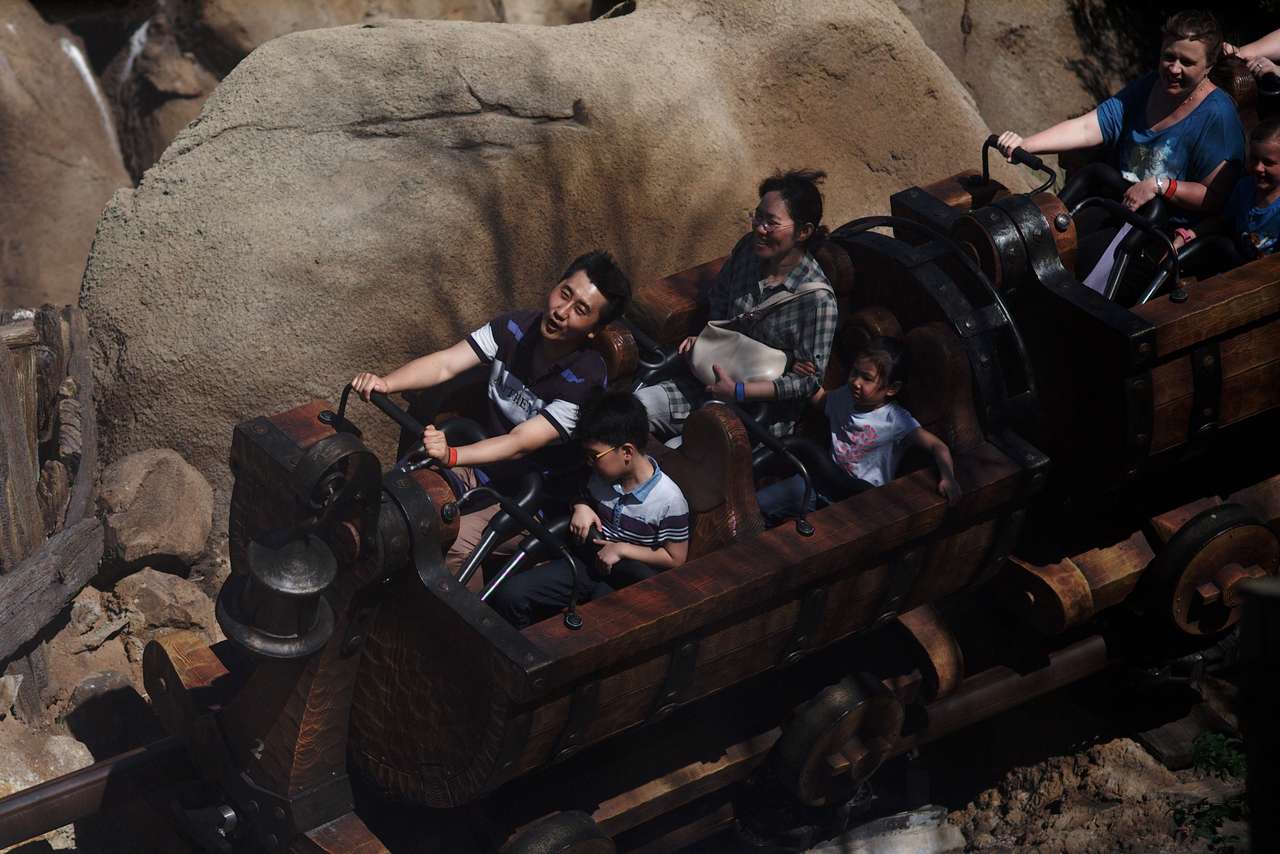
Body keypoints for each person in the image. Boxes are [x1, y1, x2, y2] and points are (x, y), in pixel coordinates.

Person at [351, 251, 631, 577]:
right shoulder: (515, 326)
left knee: (448, 547)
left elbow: (519, 443)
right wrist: (385, 383)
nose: (561, 311)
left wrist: (452, 455)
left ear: (595, 329)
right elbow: (446, 364)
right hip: (478, 461)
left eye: (580, 310)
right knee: (396, 502)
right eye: (564, 293)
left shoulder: (586, 379)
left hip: (531, 495)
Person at [995, 10, 1245, 285]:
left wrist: (1160, 186)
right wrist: (1025, 144)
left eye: (1187, 62)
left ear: (1208, 66)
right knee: (1041, 241)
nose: (1174, 69)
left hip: (1156, 232)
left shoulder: (1218, 116)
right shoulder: (1149, 86)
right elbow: (1089, 127)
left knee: (1070, 267)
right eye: (1169, 57)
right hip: (1114, 203)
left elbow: (1214, 196)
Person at [635, 169, 838, 440]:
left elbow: (807, 381)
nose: (759, 229)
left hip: (757, 415)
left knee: (678, 451)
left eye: (771, 223)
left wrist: (739, 391)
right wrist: (707, 338)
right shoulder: (747, 251)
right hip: (706, 380)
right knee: (635, 407)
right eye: (758, 217)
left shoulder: (818, 301)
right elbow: (720, 296)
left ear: (804, 232)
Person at [487, 390, 690, 629]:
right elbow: (577, 490)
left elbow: (675, 558)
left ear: (626, 452)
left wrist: (623, 549)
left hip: (629, 580)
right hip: (587, 564)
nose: (589, 462)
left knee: (595, 624)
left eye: (595, 456)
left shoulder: (669, 500)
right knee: (512, 595)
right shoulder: (599, 476)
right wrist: (580, 505)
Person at [755, 337, 961, 527]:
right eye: (855, 372)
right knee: (756, 507)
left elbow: (937, 446)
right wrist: (802, 375)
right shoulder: (845, 396)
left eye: (867, 378)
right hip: (821, 482)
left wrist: (948, 478)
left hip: (858, 502)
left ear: (891, 388)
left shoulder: (896, 421)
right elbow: (821, 399)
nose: (856, 382)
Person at [1174, 118, 1280, 262]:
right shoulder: (1244, 188)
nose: (1258, 167)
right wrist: (1189, 235)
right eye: (1254, 159)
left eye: (1268, 162)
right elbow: (1223, 222)